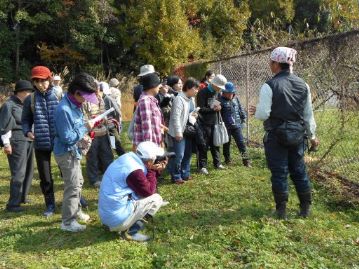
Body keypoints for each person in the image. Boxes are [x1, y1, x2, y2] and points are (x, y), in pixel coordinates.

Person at [249, 47, 319, 219]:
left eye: (270, 62)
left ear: (275, 64)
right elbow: (308, 114)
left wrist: (256, 111)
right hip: (297, 135)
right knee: (299, 170)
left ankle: (281, 211)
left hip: (276, 135)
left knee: (279, 172)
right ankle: (305, 209)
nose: (270, 65)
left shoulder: (269, 85)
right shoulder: (304, 85)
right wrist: (313, 136)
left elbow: (264, 114)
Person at [53, 73, 97, 232]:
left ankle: (76, 211)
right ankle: (67, 222)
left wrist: (84, 132)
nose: (86, 101)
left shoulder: (76, 105)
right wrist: (86, 127)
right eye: (85, 97)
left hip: (74, 150)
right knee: (72, 186)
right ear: (77, 92)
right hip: (66, 152)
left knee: (78, 182)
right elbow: (67, 137)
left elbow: (74, 131)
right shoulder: (63, 109)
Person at [98, 141, 166, 242]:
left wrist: (152, 169)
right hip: (116, 220)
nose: (157, 160)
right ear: (149, 161)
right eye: (155, 158)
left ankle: (113, 225)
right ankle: (131, 232)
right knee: (156, 199)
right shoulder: (135, 171)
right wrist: (153, 170)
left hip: (107, 215)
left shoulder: (128, 158)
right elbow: (149, 191)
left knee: (139, 195)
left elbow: (141, 187)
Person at [22, 66, 59, 217]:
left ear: (49, 80)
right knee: (45, 176)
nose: (41, 84)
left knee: (67, 172)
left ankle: (77, 198)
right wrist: (27, 131)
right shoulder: (30, 99)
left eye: (43, 81)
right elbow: (25, 120)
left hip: (59, 141)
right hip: (40, 142)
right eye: (37, 81)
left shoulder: (59, 95)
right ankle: (50, 204)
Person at [0, 80, 34, 212]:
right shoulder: (9, 105)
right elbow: (3, 126)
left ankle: (23, 197)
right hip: (16, 140)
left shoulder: (26, 104)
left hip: (29, 140)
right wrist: (6, 143)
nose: (30, 94)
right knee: (18, 172)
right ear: (21, 92)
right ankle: (13, 204)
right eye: (28, 91)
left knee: (29, 170)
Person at [167, 78, 199, 184]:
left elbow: (191, 113)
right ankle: (176, 176)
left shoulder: (191, 99)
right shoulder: (179, 99)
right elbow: (175, 117)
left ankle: (185, 174)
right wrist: (178, 132)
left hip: (188, 130)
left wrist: (194, 114)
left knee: (187, 153)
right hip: (179, 131)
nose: (196, 91)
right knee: (178, 154)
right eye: (195, 89)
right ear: (188, 88)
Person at [82, 82, 114, 187]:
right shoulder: (85, 101)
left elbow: (103, 113)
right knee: (92, 157)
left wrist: (106, 120)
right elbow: (83, 118)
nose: (97, 92)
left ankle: (109, 176)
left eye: (98, 89)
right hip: (92, 134)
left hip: (103, 132)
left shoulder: (101, 100)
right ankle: (94, 179)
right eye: (94, 90)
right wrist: (92, 120)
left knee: (107, 155)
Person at [196, 74, 227, 174]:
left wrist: (219, 107)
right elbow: (200, 109)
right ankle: (202, 166)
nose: (220, 89)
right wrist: (212, 109)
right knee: (204, 144)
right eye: (219, 87)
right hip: (204, 122)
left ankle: (217, 163)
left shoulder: (217, 92)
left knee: (216, 142)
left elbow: (218, 103)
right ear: (214, 84)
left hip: (215, 121)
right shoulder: (202, 92)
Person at [220, 82, 251, 167]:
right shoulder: (220, 101)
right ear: (224, 92)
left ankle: (246, 161)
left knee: (241, 143)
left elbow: (241, 109)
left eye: (232, 92)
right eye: (228, 92)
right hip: (226, 127)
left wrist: (244, 119)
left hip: (237, 126)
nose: (230, 94)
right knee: (226, 143)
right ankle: (227, 159)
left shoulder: (236, 99)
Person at [133, 73, 164, 149]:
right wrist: (149, 148)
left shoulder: (151, 100)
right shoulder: (145, 101)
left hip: (154, 143)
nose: (159, 88)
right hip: (148, 147)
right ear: (152, 86)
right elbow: (146, 125)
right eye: (157, 85)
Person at [101, 81, 125, 156]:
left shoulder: (108, 98)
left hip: (111, 125)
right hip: (104, 126)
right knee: (111, 144)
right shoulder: (101, 99)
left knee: (116, 144)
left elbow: (118, 111)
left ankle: (124, 158)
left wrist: (117, 123)